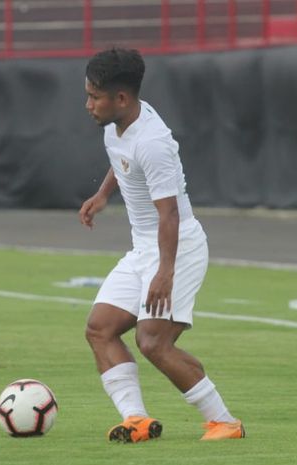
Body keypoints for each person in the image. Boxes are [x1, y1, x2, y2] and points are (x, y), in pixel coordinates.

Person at [80, 48, 245, 443]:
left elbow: (169, 215)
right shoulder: (115, 123)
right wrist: (103, 194)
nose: (88, 104)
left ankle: (225, 422)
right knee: (99, 329)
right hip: (143, 248)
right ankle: (136, 419)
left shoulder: (154, 142)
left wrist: (164, 273)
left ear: (121, 98)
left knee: (152, 341)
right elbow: (120, 160)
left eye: (94, 96)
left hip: (177, 247)